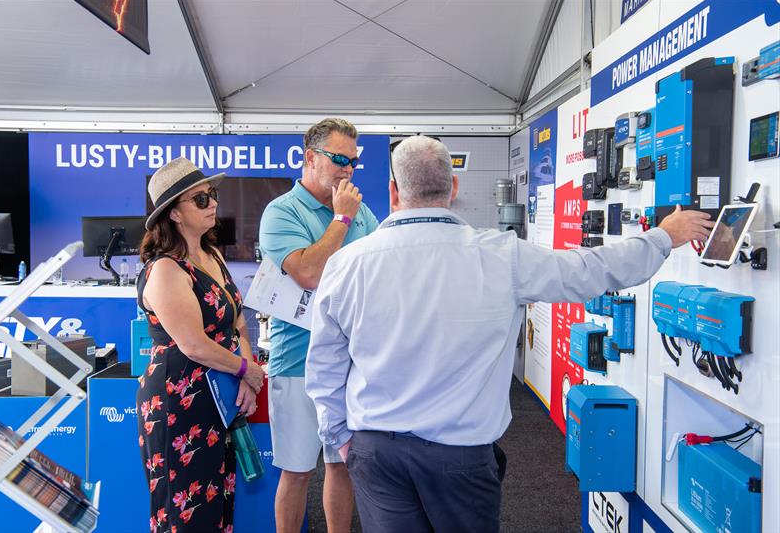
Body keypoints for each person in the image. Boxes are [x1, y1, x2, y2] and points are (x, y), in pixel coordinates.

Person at [305, 136, 715, 533]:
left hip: (378, 454)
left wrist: (340, 439)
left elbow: (324, 367)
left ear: (393, 192)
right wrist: (665, 235)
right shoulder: (503, 255)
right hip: (462, 457)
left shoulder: (346, 264)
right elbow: (592, 269)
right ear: (454, 188)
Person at [258, 118, 379, 533]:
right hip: (298, 364)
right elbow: (308, 272)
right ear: (309, 158)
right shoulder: (281, 212)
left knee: (342, 465)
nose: (348, 169)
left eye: (354, 161)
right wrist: (341, 220)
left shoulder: (363, 213)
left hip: (352, 363)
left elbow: (380, 273)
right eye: (339, 159)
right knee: (296, 470)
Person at [136, 157, 265, 533]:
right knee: (184, 514)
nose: (213, 204)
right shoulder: (165, 269)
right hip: (178, 400)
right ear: (174, 213)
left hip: (217, 396)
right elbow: (193, 345)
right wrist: (247, 370)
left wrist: (244, 375)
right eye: (201, 200)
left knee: (216, 506)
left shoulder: (213, 256)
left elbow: (238, 321)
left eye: (212, 195)